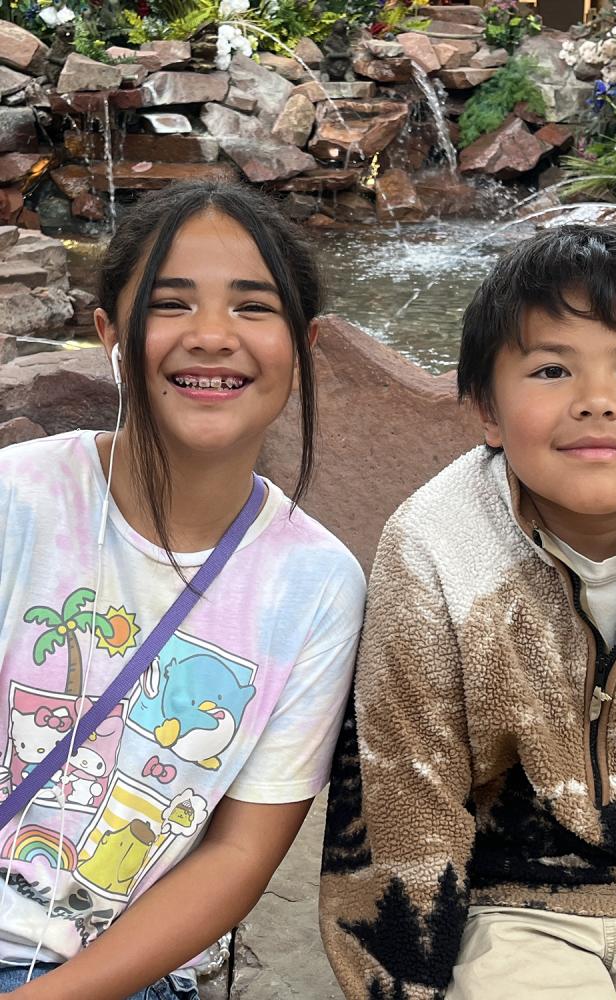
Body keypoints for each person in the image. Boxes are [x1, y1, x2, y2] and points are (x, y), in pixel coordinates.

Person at [319, 224, 616, 1000]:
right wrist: (403, 980)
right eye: (551, 370)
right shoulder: (433, 545)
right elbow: (404, 788)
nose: (596, 402)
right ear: (487, 408)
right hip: (506, 903)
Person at [0, 179, 365, 999]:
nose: (211, 337)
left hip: (118, 975)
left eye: (253, 307)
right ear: (109, 333)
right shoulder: (16, 498)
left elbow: (238, 855)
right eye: (171, 304)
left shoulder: (316, 586)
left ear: (304, 346)